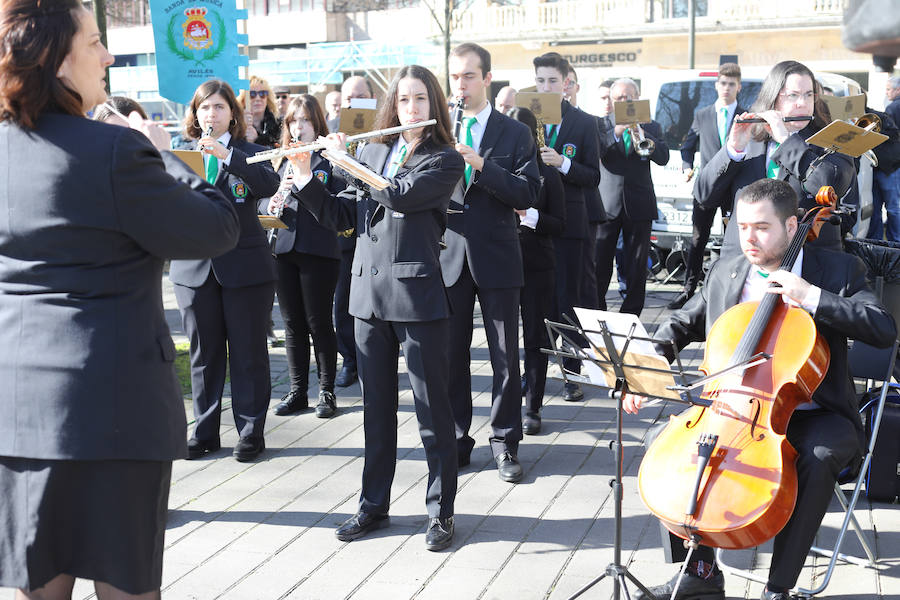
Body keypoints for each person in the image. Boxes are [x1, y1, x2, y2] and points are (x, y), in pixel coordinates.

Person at [0, 2, 240, 598]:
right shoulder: (114, 152)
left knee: (37, 589)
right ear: (57, 59)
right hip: (113, 408)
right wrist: (162, 152)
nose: (108, 55)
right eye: (95, 42)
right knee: (126, 588)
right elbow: (216, 229)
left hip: (17, 408)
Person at [625, 178, 896, 600]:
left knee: (819, 457)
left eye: (761, 228)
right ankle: (700, 571)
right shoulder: (730, 268)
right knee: (675, 445)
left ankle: (779, 587)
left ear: (792, 227)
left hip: (817, 412)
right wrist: (646, 365)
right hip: (736, 408)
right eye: (742, 226)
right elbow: (684, 322)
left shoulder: (838, 270)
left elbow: (882, 329)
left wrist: (812, 296)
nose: (748, 238)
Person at [289, 65, 464, 551]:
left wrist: (346, 164)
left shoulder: (443, 160)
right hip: (367, 300)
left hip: (416, 298)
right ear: (393, 106)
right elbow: (343, 217)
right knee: (376, 412)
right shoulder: (372, 150)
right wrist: (306, 176)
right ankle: (373, 506)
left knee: (433, 413)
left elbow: (401, 198)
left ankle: (441, 511)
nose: (411, 108)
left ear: (434, 107)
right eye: (404, 100)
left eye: (420, 100)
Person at [442, 43, 540, 482]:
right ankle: (457, 438)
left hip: (498, 254)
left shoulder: (515, 132)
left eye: (467, 76)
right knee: (450, 355)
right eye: (454, 77)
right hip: (448, 255)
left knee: (504, 355)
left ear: (487, 78)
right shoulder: (439, 127)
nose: (459, 85)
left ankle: (505, 441)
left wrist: (480, 165)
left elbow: (527, 193)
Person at [170, 79, 280, 463]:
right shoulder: (181, 154)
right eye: (204, 108)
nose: (211, 114)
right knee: (204, 353)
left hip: (244, 267)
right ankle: (204, 430)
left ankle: (250, 432)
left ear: (232, 113)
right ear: (195, 115)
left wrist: (228, 156)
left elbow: (269, 183)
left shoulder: (251, 152)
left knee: (249, 353)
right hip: (194, 269)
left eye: (219, 107)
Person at [694, 60, 855, 258]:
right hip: (743, 264)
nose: (802, 103)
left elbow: (831, 184)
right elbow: (704, 196)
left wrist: (786, 141)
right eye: (793, 95)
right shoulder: (750, 139)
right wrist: (732, 150)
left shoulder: (832, 140)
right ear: (773, 98)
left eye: (808, 95)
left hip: (805, 261)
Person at [264, 94, 345, 419]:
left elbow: (336, 204)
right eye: (294, 120)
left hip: (319, 250)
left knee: (319, 323)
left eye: (306, 120)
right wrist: (270, 205)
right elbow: (265, 199)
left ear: (317, 123)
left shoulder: (328, 159)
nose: (300, 126)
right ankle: (297, 390)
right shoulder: (280, 159)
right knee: (292, 325)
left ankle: (327, 390)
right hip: (283, 248)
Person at [533, 51, 601, 402]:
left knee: (572, 301)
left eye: (553, 81)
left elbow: (593, 176)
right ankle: (536, 379)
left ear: (566, 84)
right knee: (541, 299)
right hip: (536, 224)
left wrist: (563, 163)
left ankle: (572, 373)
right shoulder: (526, 121)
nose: (546, 88)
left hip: (573, 225)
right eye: (541, 81)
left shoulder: (584, 122)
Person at [508, 106, 566, 436]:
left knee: (535, 337)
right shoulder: (494, 168)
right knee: (502, 342)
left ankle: (533, 405)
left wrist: (529, 215)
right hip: (500, 265)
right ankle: (508, 402)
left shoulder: (548, 171)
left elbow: (560, 223)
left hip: (537, 265)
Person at [670, 62, 746, 309]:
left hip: (734, 190)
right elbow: (688, 145)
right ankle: (688, 290)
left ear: (739, 87)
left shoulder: (745, 116)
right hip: (706, 186)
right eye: (723, 83)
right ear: (716, 85)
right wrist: (686, 166)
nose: (726, 88)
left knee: (733, 241)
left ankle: (730, 291)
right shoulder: (702, 115)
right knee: (697, 239)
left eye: (731, 84)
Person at [595, 78, 669, 316]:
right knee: (599, 265)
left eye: (629, 97)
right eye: (620, 98)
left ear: (638, 98)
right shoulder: (601, 124)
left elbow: (664, 157)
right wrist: (616, 132)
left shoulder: (653, 126)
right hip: (607, 205)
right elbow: (597, 152)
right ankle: (598, 314)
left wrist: (642, 132)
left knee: (636, 267)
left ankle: (630, 317)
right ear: (612, 100)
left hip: (639, 204)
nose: (625, 101)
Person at [333, 75, 377, 388]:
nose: (353, 103)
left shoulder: (382, 132)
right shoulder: (334, 129)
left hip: (372, 230)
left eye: (360, 96)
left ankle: (375, 358)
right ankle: (349, 359)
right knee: (342, 303)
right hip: (340, 231)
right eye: (349, 97)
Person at [868, 76, 900, 242]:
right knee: (892, 208)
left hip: (887, 167)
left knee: (890, 208)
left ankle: (886, 243)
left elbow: (893, 136)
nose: (886, 93)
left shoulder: (893, 108)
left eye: (888, 89)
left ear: (898, 90)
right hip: (890, 167)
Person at [238, 75, 281, 148]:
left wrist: (257, 140)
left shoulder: (279, 125)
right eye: (252, 94)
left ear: (267, 98)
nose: (258, 98)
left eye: (262, 94)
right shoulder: (236, 126)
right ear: (243, 99)